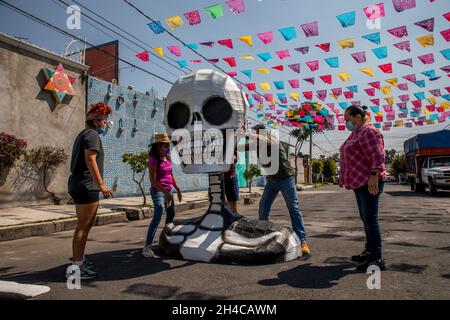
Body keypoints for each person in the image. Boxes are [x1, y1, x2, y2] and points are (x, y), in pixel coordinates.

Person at [245, 124, 310, 255]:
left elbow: (263, 139)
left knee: (293, 207)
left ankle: (302, 241)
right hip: (272, 181)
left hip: (286, 178)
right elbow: (243, 147)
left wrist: (247, 134)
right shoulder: (258, 144)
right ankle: (264, 237)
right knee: (263, 206)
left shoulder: (272, 140)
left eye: (255, 133)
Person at [68, 102, 113, 280]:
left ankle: (79, 260)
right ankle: (78, 266)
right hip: (87, 186)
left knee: (82, 226)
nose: (105, 124)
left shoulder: (83, 134)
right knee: (83, 227)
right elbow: (90, 160)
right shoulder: (92, 135)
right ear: (96, 121)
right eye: (104, 120)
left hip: (79, 184)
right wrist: (101, 184)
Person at [339, 105, 386, 271]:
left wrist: (374, 175)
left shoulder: (369, 132)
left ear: (358, 117)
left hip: (369, 182)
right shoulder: (356, 133)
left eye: (348, 120)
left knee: (371, 220)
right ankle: (369, 252)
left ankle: (377, 258)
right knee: (366, 219)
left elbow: (377, 155)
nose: (346, 123)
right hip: (359, 182)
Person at [142, 133, 182, 258]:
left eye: (168, 145)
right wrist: (165, 193)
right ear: (158, 146)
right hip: (158, 191)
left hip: (169, 190)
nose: (167, 147)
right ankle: (147, 246)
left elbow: (170, 175)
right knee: (158, 213)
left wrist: (177, 188)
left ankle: (166, 240)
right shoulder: (153, 159)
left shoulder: (168, 158)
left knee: (171, 215)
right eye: (165, 145)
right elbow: (153, 181)